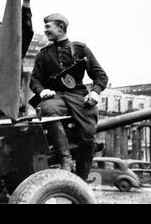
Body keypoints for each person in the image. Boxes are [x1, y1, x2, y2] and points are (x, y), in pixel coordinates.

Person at [29, 13, 108, 180]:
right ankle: (66, 160)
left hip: (78, 95)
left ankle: (82, 178)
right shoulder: (43, 54)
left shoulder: (80, 49)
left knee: (88, 132)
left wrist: (95, 92)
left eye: (48, 27)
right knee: (48, 110)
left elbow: (101, 76)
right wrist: (42, 91)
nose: (45, 31)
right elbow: (34, 80)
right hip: (54, 96)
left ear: (61, 27)